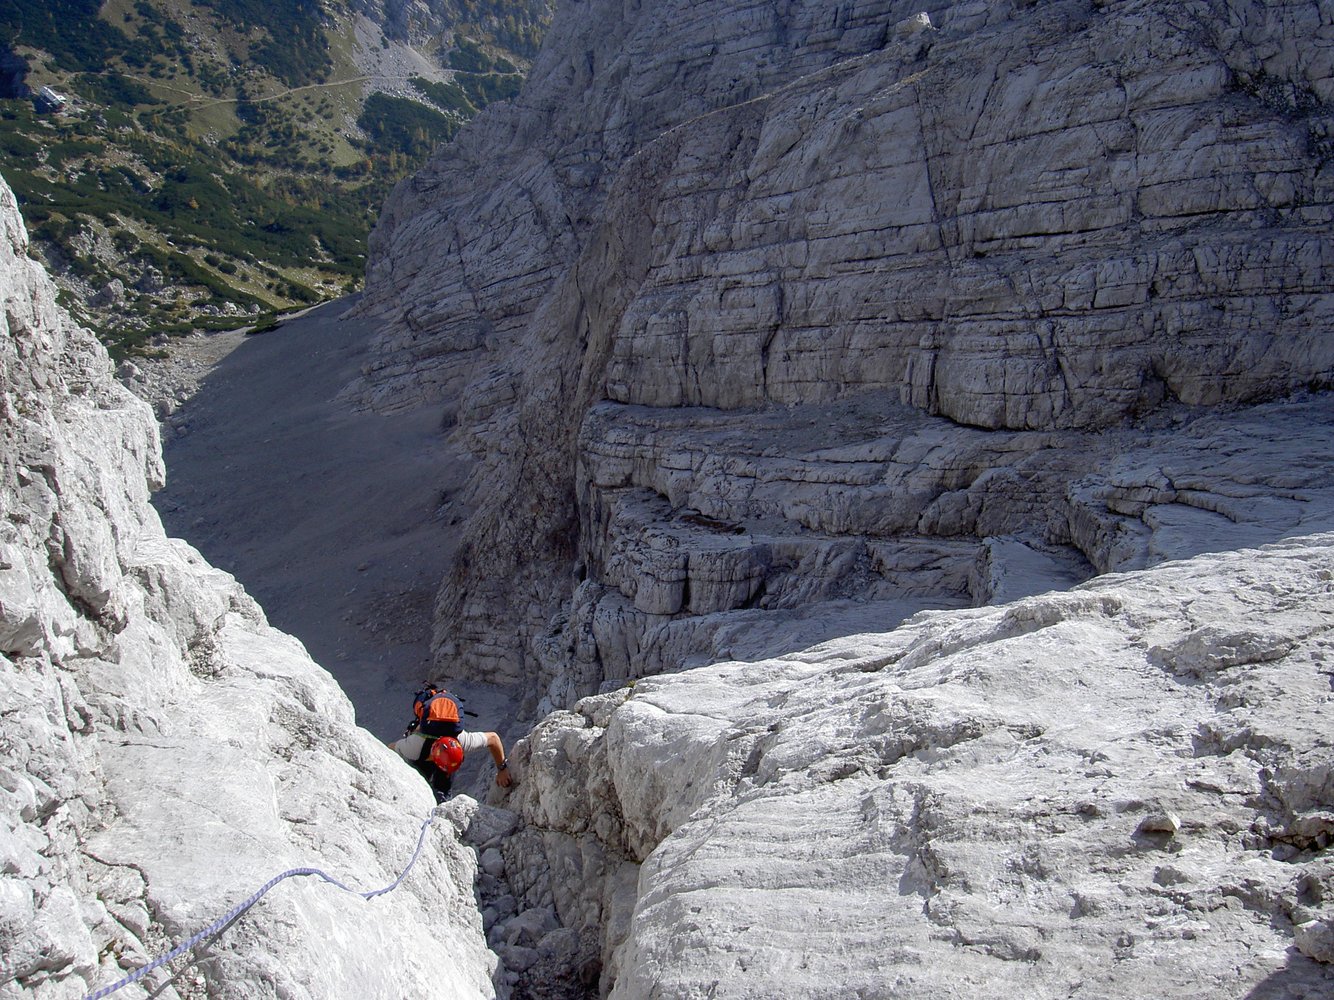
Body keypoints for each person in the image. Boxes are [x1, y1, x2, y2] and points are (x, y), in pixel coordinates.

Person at [391, 684, 513, 803]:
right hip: (423, 753)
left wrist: (502, 769)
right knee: (419, 780)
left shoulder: (463, 741)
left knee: (442, 787)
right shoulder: (415, 746)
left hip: (437, 753)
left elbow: (493, 739)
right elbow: (389, 749)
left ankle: (442, 800)